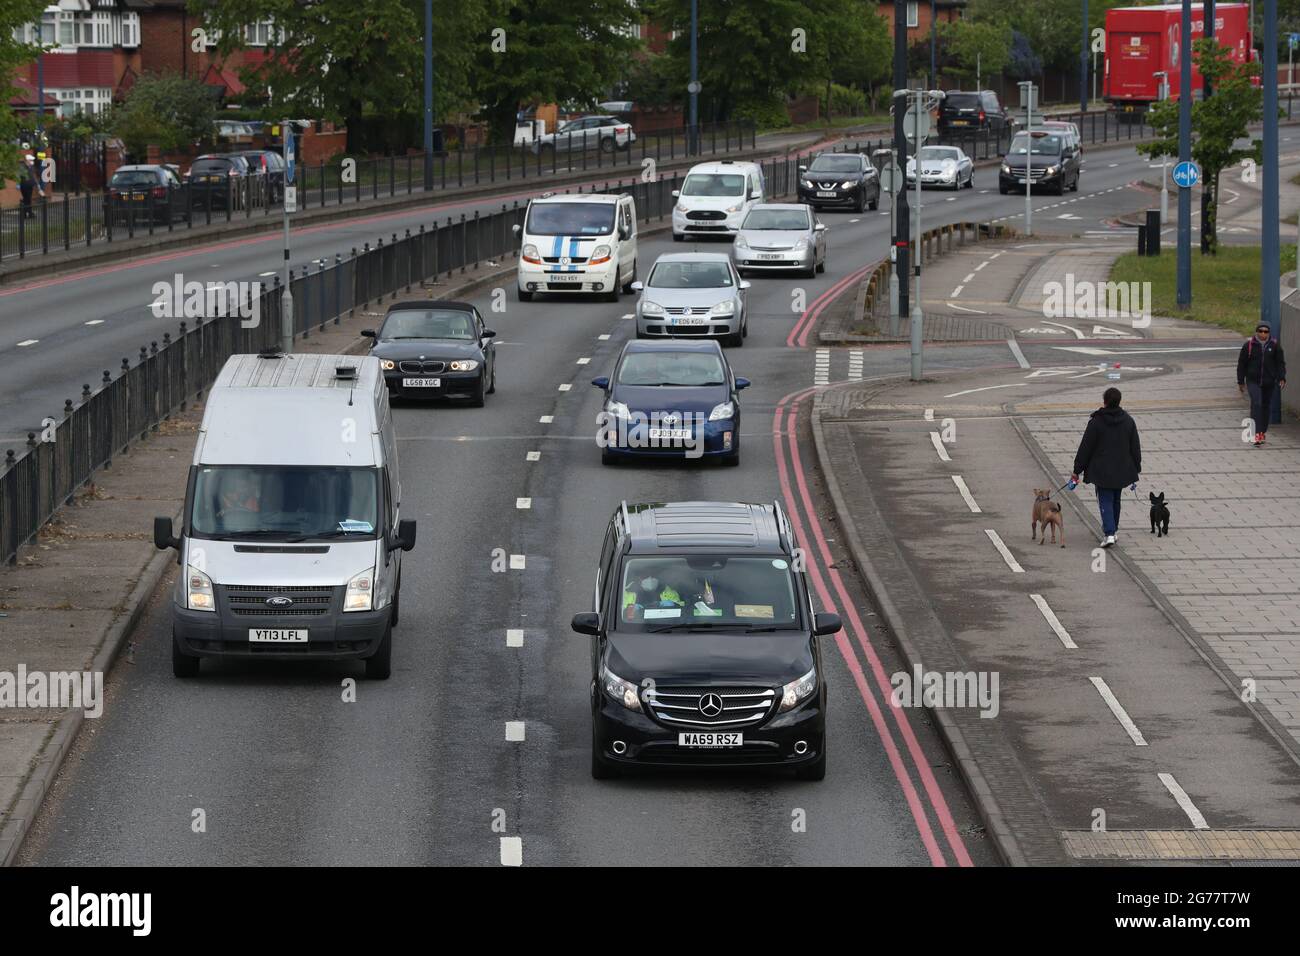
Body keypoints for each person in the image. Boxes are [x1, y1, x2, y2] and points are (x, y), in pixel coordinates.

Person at [1071, 387, 1142, 549]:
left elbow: (1086, 447)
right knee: (1116, 499)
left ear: (1105, 401)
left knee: (1105, 499)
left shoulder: (1096, 422)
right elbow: (1135, 447)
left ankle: (1109, 533)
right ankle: (1113, 530)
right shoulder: (1128, 421)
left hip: (1101, 470)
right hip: (1122, 468)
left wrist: (1077, 469)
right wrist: (1136, 466)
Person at [1237, 321, 1287, 446]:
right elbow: (1241, 364)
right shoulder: (1249, 345)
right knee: (1256, 403)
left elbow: (1280, 363)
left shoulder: (1275, 346)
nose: (1263, 334)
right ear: (1256, 332)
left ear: (1269, 333)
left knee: (1265, 406)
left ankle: (1262, 431)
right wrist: (1240, 381)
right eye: (1260, 331)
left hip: (1269, 381)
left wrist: (1282, 377)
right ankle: (1257, 433)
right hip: (1253, 380)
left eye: (1266, 331)